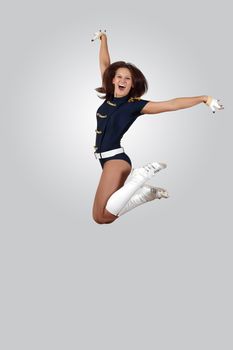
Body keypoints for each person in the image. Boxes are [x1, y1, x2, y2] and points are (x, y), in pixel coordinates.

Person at [91, 30, 224, 225]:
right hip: (105, 160)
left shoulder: (135, 105)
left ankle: (139, 177)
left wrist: (203, 98)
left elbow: (171, 104)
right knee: (104, 217)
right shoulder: (111, 95)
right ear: (112, 79)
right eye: (119, 77)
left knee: (99, 217)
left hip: (115, 160)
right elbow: (105, 63)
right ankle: (146, 194)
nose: (122, 81)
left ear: (132, 84)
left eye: (127, 79)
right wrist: (104, 38)